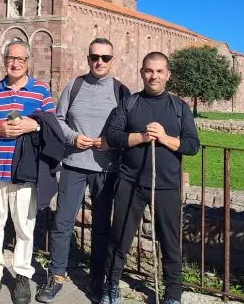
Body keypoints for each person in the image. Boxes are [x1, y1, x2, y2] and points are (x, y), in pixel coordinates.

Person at [101, 52, 200, 304]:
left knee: (170, 243)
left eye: (159, 71)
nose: (153, 76)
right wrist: (142, 137)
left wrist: (165, 138)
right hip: (130, 183)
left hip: (166, 186)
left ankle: (173, 295)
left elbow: (192, 145)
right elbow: (112, 136)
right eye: (148, 70)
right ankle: (111, 287)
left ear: (168, 75)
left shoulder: (179, 108)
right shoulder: (129, 104)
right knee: (119, 239)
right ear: (142, 72)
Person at [36, 38, 130, 303]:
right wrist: (73, 138)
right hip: (74, 165)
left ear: (113, 60)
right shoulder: (74, 86)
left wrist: (111, 141)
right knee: (62, 222)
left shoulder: (122, 91)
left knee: (101, 227)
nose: (99, 62)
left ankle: (97, 280)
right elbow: (58, 119)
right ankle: (55, 276)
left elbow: (128, 128)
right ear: (88, 58)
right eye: (94, 57)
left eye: (105, 58)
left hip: (106, 169)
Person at [0, 39, 56, 304]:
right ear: (4, 60)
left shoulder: (41, 91)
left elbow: (52, 124)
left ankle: (21, 275)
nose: (15, 63)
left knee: (24, 227)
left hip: (25, 171)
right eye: (11, 58)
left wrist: (33, 125)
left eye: (20, 59)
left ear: (28, 62)